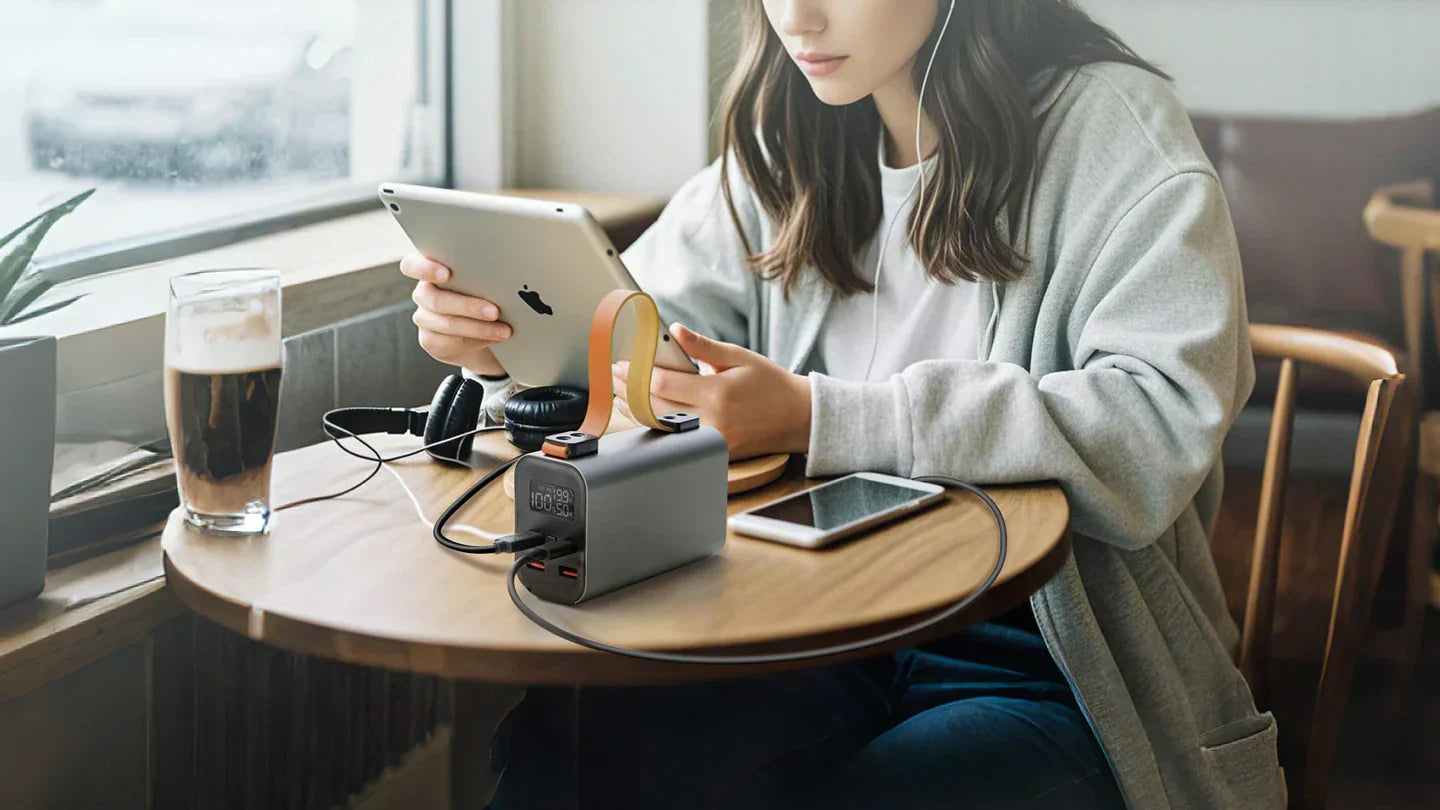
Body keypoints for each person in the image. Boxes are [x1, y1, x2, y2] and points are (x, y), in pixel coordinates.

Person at [401, 1, 1284, 807]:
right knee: (582, 742)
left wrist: (819, 417)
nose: (798, 17)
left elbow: (1154, 426)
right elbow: (652, 333)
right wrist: (513, 355)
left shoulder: (1112, 129)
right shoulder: (792, 132)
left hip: (1049, 665)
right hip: (811, 625)